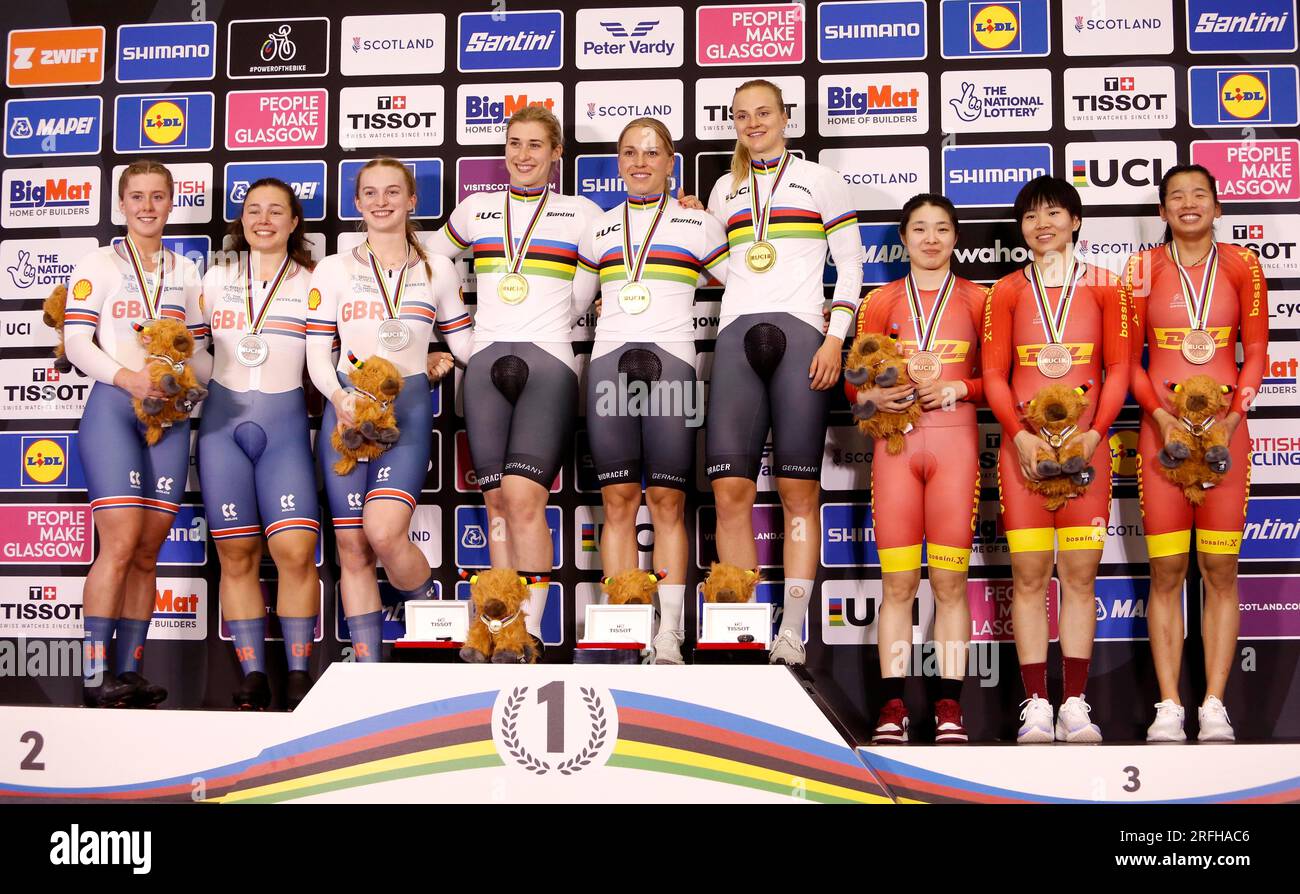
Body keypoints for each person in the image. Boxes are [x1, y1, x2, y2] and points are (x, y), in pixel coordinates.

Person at [702, 78, 866, 665]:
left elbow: (850, 264)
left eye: (762, 113)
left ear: (784, 116)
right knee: (729, 490)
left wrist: (835, 338)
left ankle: (792, 631)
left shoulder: (820, 179)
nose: (752, 124)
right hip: (736, 340)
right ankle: (740, 629)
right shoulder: (724, 189)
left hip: (803, 341)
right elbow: (720, 263)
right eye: (741, 116)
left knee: (799, 490)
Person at [428, 107, 601, 656]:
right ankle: (502, 633)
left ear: (556, 154)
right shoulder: (478, 208)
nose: (522, 155)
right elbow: (429, 260)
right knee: (495, 502)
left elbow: (616, 262)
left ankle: (532, 631)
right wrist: (460, 340)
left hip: (547, 363)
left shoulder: (581, 213)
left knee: (526, 501)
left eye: (535, 145)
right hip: (483, 366)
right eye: (514, 143)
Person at [982, 175, 1131, 743]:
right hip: (1025, 454)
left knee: (1079, 576)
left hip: (1086, 452)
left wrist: (1094, 435)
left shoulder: (1108, 287)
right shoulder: (1005, 293)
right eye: (1030, 217)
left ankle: (1074, 702)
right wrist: (1017, 435)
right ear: (1022, 230)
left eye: (1054, 213)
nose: (1042, 224)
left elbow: (1118, 370)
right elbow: (995, 374)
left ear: (1075, 221)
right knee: (1027, 575)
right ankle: (1036, 704)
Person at [1125, 164, 1269, 742]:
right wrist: (1161, 419)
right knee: (1166, 571)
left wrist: (1234, 418)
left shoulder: (1244, 266)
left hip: (1226, 440)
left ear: (1216, 205)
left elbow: (1255, 350)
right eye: (1176, 197)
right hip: (1162, 439)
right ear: (1162, 212)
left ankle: (1213, 703)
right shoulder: (1140, 269)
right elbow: (1126, 362)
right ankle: (1168, 705)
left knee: (1220, 571)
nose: (1188, 204)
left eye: (1199, 195)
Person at [306, 157, 472, 663]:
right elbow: (318, 354)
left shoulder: (436, 268)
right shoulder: (333, 268)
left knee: (382, 531)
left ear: (412, 200)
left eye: (393, 192)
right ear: (357, 203)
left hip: (410, 415)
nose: (382, 202)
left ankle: (430, 615)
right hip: (347, 413)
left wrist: (514, 360)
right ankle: (368, 665)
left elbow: (466, 344)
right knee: (353, 547)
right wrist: (340, 399)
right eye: (371, 194)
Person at [579, 117, 730, 664]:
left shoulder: (699, 225)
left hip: (674, 369)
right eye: (628, 154)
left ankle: (669, 635)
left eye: (651, 153)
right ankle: (624, 630)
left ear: (671, 163)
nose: (639, 163)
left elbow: (746, 286)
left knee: (668, 502)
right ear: (618, 164)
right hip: (608, 369)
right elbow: (571, 302)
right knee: (616, 503)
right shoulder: (595, 230)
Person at [63, 159, 208, 707]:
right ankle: (95, 673)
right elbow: (78, 342)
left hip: (169, 416)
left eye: (158, 196)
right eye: (137, 197)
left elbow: (202, 351)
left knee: (148, 551)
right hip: (114, 409)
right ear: (121, 204)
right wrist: (131, 379)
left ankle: (129, 673)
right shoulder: (97, 264)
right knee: (119, 543)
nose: (148, 207)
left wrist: (192, 388)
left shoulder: (186, 271)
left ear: (172, 202)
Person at [845, 194, 986, 744]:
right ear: (903, 239)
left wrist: (958, 386)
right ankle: (891, 708)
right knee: (898, 583)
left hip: (955, 446)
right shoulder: (880, 302)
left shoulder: (980, 299)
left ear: (955, 238)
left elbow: (995, 378)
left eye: (943, 229)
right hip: (896, 452)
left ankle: (950, 706)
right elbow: (853, 384)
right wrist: (872, 403)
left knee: (951, 583)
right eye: (920, 229)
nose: (931, 239)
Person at [199, 178, 321, 710]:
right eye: (253, 210)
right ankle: (253, 675)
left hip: (286, 428)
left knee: (295, 553)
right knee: (236, 553)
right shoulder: (213, 278)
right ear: (241, 221)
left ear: (294, 223)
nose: (264, 219)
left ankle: (297, 674)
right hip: (221, 429)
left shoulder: (315, 282)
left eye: (277, 211)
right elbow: (192, 352)